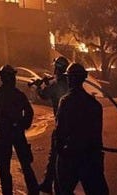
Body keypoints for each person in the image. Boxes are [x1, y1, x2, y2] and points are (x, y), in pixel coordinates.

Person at [0, 64, 40, 195]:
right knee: (25, 164)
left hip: (4, 133)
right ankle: (33, 190)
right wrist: (23, 125)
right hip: (15, 132)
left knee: (4, 167)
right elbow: (28, 111)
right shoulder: (17, 94)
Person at [53, 62, 109, 195]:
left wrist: (60, 154)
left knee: (62, 190)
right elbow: (97, 136)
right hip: (90, 156)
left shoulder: (65, 102)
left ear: (70, 79)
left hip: (71, 156)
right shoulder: (94, 104)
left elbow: (60, 133)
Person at [36, 56, 70, 193]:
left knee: (55, 155)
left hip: (61, 125)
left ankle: (51, 184)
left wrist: (39, 86)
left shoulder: (56, 84)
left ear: (57, 68)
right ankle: (59, 184)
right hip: (73, 126)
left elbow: (43, 95)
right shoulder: (70, 82)